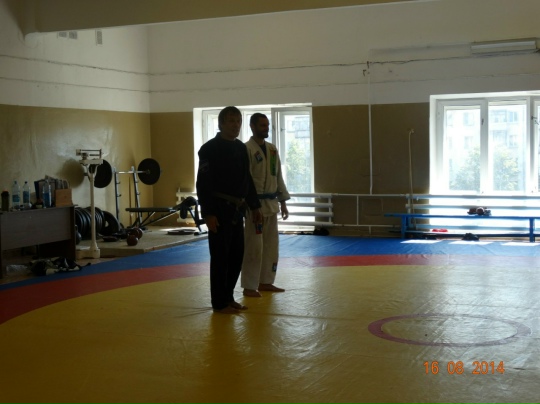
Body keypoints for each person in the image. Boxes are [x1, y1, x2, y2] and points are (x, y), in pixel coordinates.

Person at [196, 106, 262, 314]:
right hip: (219, 209)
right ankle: (219, 302)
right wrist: (208, 213)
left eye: (238, 121)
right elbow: (203, 184)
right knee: (220, 258)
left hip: (237, 210)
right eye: (231, 121)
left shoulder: (241, 148)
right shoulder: (209, 149)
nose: (236, 125)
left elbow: (247, 179)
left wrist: (255, 205)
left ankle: (228, 296)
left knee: (236, 256)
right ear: (221, 124)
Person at [241, 113, 290, 297]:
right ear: (252, 126)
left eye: (267, 125)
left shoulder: (272, 150)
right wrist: (252, 206)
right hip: (255, 207)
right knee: (254, 247)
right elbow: (245, 180)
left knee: (271, 246)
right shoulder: (246, 149)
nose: (266, 128)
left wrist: (283, 202)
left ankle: (266, 281)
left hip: (271, 204)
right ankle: (249, 286)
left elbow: (278, 177)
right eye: (262, 125)